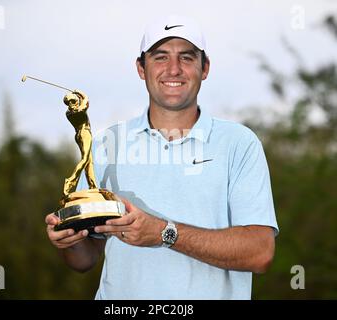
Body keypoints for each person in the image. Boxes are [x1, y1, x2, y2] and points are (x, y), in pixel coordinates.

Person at [45, 14, 279, 299]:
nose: (174, 69)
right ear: (141, 68)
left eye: (187, 57)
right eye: (160, 57)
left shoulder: (240, 143)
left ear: (205, 68)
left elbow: (260, 252)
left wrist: (163, 233)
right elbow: (85, 260)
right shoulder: (107, 143)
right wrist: (69, 240)